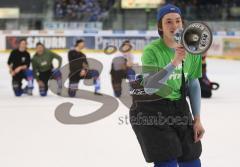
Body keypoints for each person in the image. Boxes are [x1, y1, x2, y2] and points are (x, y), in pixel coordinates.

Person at [129, 4, 205, 167]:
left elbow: (193, 84)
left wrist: (197, 119)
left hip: (179, 107)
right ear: (160, 27)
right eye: (168, 22)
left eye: (178, 21)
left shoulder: (192, 50)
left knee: (191, 160)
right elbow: (149, 87)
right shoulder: (152, 51)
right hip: (151, 109)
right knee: (167, 162)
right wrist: (175, 61)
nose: (174, 25)